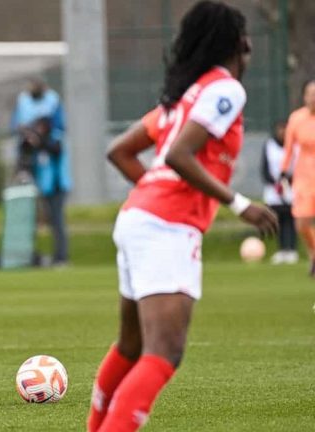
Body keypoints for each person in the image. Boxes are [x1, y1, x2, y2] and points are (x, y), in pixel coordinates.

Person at [87, 2, 277, 431]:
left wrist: (153, 193)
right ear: (239, 43)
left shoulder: (183, 97)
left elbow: (121, 151)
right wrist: (240, 203)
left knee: (132, 347)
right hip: (166, 226)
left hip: (139, 217)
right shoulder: (225, 89)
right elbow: (178, 154)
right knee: (164, 352)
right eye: (245, 38)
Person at [11, 78, 71, 266]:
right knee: (29, 219)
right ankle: (29, 256)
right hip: (33, 178)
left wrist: (40, 140)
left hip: (54, 183)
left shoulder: (54, 137)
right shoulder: (24, 104)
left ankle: (61, 257)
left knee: (56, 219)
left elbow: (56, 146)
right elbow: (17, 129)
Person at [280, 79, 315, 276]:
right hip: (304, 176)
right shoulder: (296, 118)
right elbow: (289, 148)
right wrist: (284, 171)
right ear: (304, 96)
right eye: (310, 93)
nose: (313, 97)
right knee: (301, 222)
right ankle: (314, 253)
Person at [262, 120, 298, 264]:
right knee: (278, 220)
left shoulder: (295, 146)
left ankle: (291, 249)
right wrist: (275, 183)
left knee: (291, 219)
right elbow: (264, 168)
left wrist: (287, 181)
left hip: (291, 188)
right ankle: (282, 250)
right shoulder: (269, 146)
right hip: (274, 190)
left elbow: (297, 166)